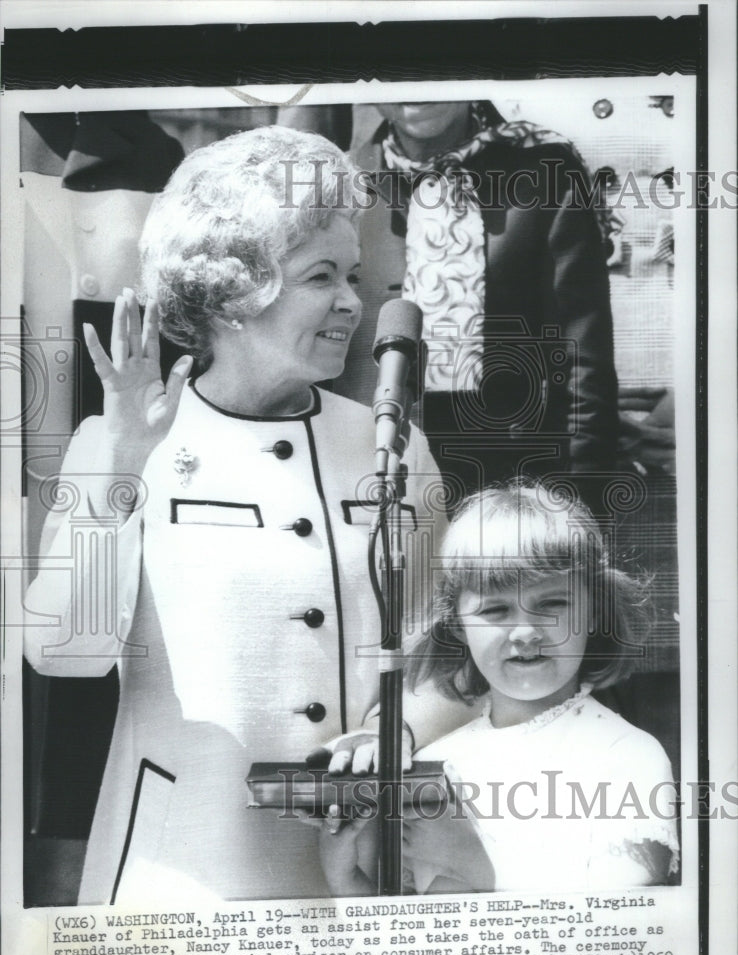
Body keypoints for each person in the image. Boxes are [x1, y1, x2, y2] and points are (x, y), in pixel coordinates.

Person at [23, 126, 468, 904]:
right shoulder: (123, 441)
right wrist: (122, 467)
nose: (350, 303)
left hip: (356, 872)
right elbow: (66, 655)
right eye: (319, 276)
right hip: (184, 871)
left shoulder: (390, 445)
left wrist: (396, 733)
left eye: (354, 275)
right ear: (231, 294)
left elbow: (445, 649)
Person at [319, 482, 679, 894]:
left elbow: (628, 927)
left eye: (552, 604)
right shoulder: (434, 762)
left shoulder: (625, 755)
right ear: (457, 624)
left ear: (594, 611)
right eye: (495, 609)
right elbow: (402, 934)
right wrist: (344, 874)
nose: (525, 632)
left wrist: (471, 863)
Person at [332, 101, 619, 512]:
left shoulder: (545, 172)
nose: (418, 90)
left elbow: (582, 358)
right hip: (372, 469)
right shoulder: (342, 178)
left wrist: (583, 502)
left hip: (511, 482)